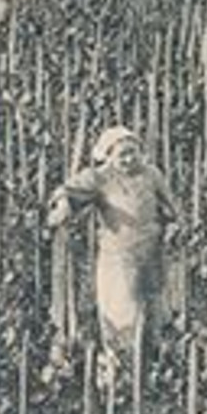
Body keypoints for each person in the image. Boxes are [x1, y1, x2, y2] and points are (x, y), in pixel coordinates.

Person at [47, 126, 178, 366]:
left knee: (154, 312)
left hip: (151, 253)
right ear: (108, 156)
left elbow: (170, 207)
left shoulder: (152, 174)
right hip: (118, 259)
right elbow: (68, 190)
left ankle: (152, 370)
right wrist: (64, 204)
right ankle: (120, 371)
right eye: (122, 155)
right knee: (121, 314)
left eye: (133, 152)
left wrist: (173, 226)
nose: (129, 159)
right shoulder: (100, 177)